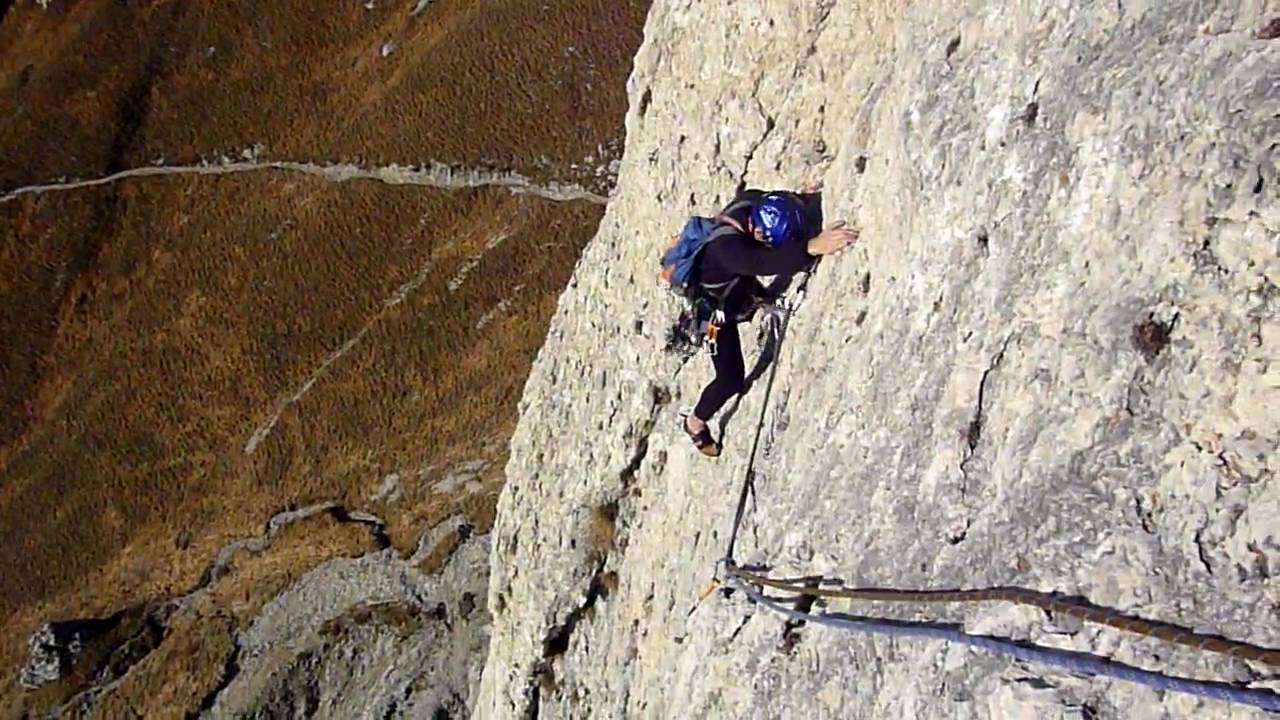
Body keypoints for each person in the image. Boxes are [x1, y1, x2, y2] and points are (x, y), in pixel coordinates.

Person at [682, 189, 858, 457]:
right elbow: (764, 262)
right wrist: (812, 246)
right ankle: (694, 422)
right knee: (730, 379)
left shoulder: (751, 202)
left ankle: (755, 300)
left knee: (744, 289)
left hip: (734, 286)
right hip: (714, 316)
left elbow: (779, 205)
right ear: (758, 232)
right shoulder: (728, 250)